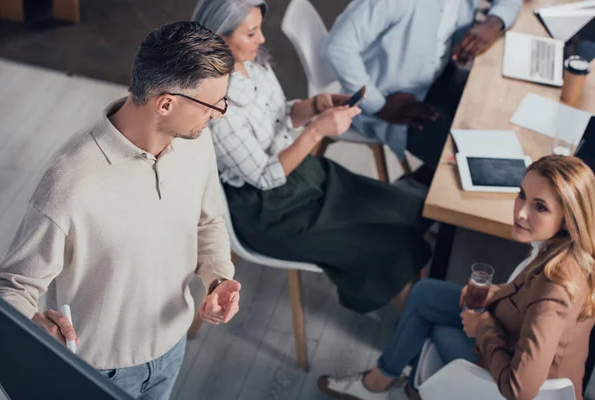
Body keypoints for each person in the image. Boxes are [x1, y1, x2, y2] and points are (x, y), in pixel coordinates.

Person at [0, 22, 241, 400]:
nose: (220, 114)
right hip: (99, 370)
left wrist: (217, 278)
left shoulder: (197, 141)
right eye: (213, 104)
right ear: (166, 103)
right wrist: (33, 325)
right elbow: (12, 286)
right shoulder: (70, 182)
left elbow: (208, 220)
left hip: (172, 346)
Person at [191, 0, 433, 316]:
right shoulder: (217, 106)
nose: (261, 39)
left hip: (300, 174)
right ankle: (416, 324)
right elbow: (265, 177)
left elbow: (279, 115)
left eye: (259, 29)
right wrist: (316, 132)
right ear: (218, 38)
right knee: (386, 245)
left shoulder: (252, 64)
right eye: (251, 33)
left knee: (400, 207)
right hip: (269, 211)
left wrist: (316, 106)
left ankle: (424, 297)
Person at [318, 155, 595, 400]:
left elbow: (520, 390)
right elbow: (528, 294)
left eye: (540, 207)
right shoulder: (558, 250)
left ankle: (397, 384)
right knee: (425, 292)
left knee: (437, 330)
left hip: (527, 384)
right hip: (512, 333)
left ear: (568, 219)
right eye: (521, 194)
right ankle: (388, 381)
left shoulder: (556, 290)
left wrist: (483, 326)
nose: (521, 212)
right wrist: (497, 293)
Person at [325, 0, 522, 181]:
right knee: (481, 172)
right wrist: (379, 105)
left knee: (506, 123)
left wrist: (494, 22)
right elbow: (338, 48)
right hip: (391, 105)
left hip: (440, 78)